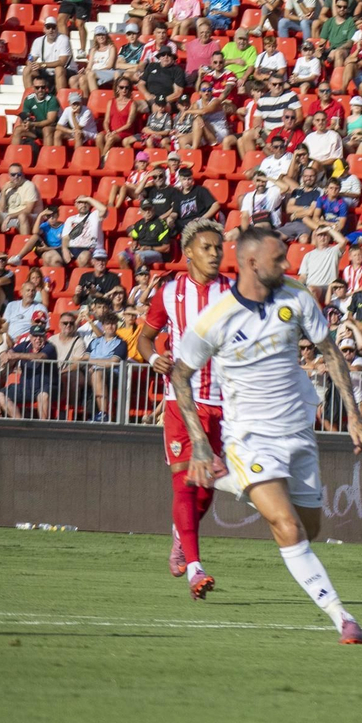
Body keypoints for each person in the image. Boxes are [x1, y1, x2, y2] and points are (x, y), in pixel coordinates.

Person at [173, 227, 362, 644]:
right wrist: (200, 442)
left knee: (309, 529)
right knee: (286, 527)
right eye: (279, 259)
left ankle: (230, 479)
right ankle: (342, 617)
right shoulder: (215, 319)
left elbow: (329, 351)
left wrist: (354, 417)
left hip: (299, 433)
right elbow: (181, 376)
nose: (288, 265)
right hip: (250, 438)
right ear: (252, 263)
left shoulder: (297, 295)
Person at [135, 218, 233, 599]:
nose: (214, 253)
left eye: (218, 248)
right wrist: (153, 358)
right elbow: (145, 338)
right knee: (185, 482)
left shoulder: (234, 292)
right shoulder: (170, 292)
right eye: (206, 248)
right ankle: (195, 567)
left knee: (208, 488)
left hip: (225, 403)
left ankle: (180, 536)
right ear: (188, 251)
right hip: (182, 401)